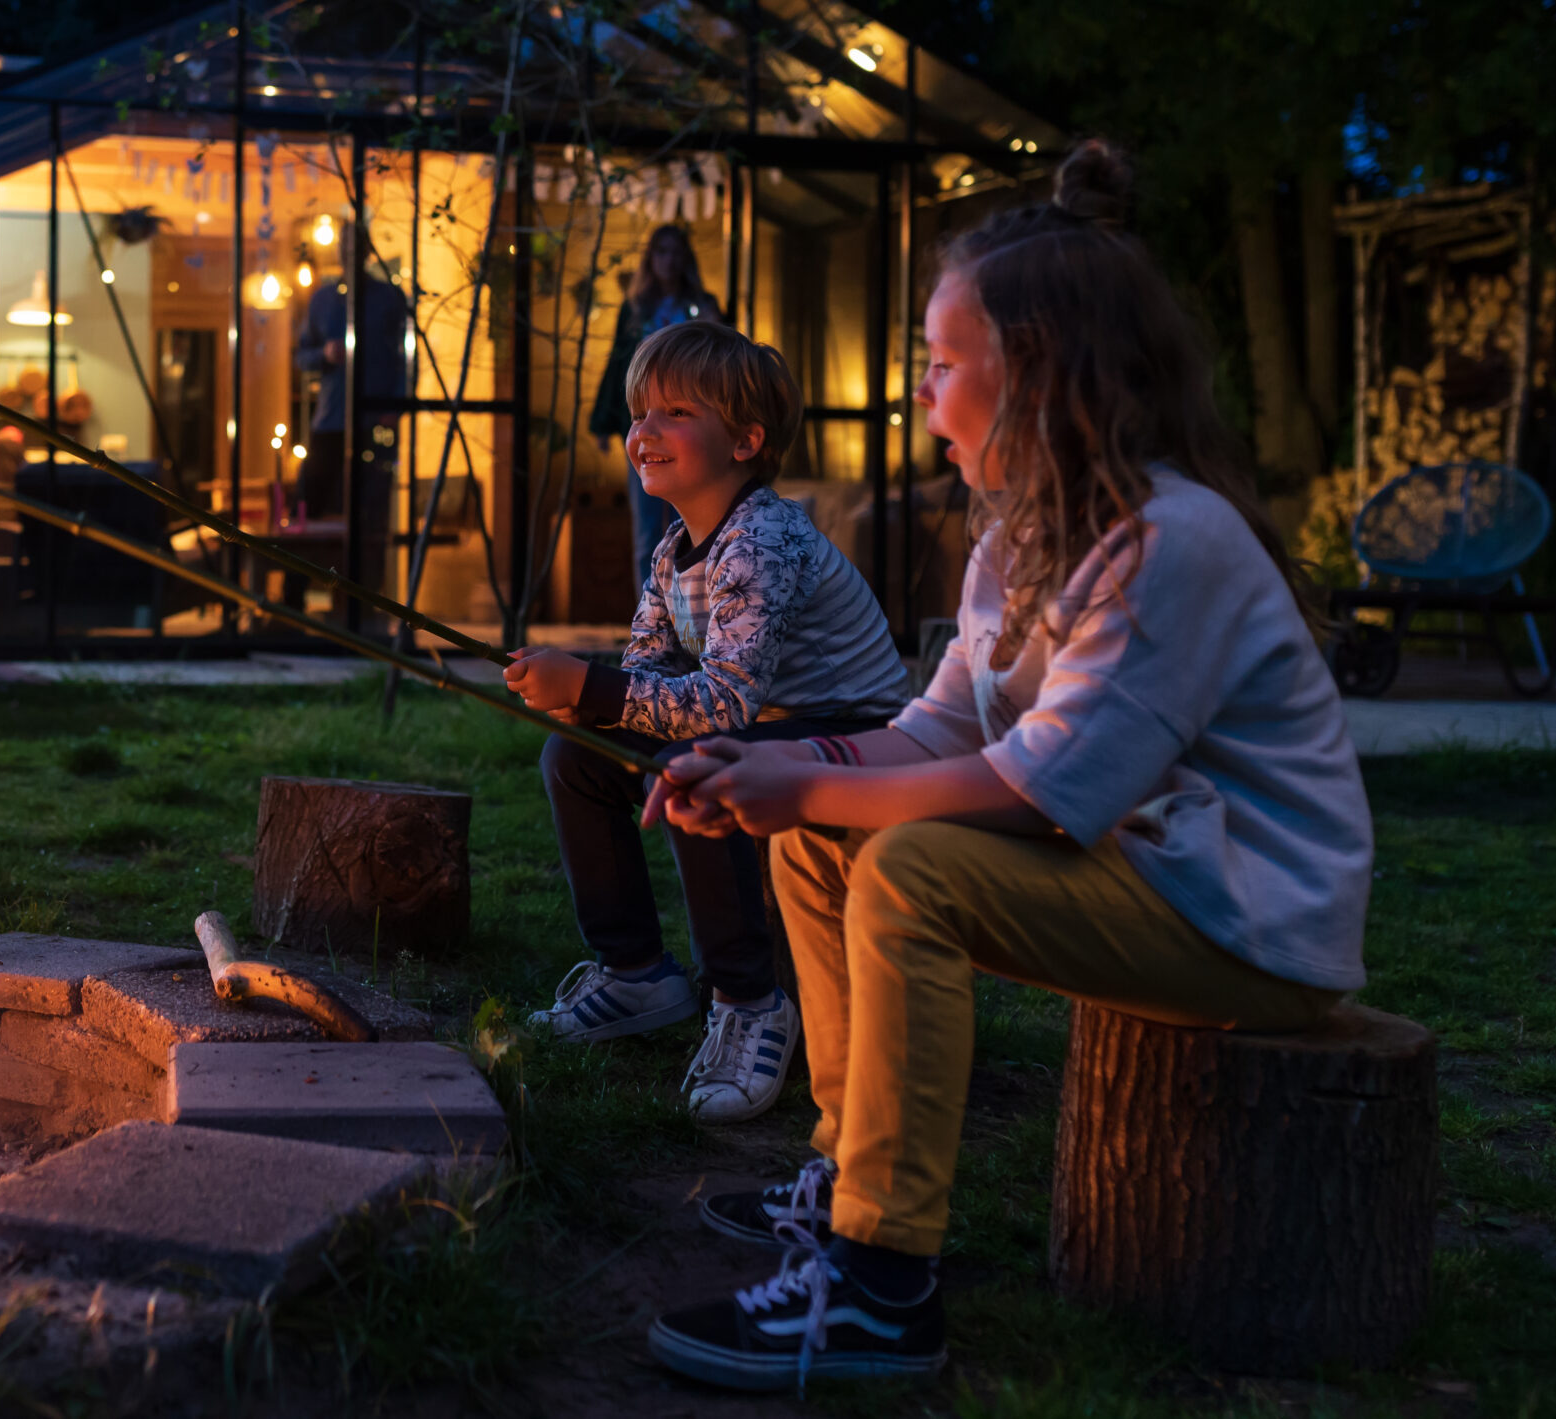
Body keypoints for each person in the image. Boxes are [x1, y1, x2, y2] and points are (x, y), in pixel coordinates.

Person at [640, 141, 1371, 1392]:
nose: (921, 394)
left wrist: (804, 779)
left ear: (1031, 371)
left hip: (1249, 921)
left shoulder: (1167, 539)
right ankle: (842, 1165)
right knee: (821, 836)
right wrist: (770, 765)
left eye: (939, 364)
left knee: (912, 868)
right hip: (1146, 877)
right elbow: (936, 733)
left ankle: (878, 1283)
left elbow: (1037, 786)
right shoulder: (1022, 538)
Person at [502, 319, 906, 1125]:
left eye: (674, 413)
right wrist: (586, 699)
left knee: (701, 763)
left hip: (862, 731)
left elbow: (719, 706)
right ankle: (637, 971)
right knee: (575, 755)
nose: (643, 432)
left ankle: (752, 998)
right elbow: (651, 675)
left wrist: (595, 684)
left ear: (747, 440)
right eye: (639, 412)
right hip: (768, 720)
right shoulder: (673, 549)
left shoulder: (761, 538)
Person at [591, 226, 723, 568]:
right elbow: (618, 365)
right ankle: (650, 619)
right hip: (646, 424)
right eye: (662, 251)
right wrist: (603, 422)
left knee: (696, 524)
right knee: (648, 531)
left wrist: (714, 324)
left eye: (677, 251)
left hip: (693, 427)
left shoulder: (701, 304)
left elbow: (725, 362)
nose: (670, 260)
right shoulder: (636, 309)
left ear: (686, 258)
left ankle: (692, 612)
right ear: (651, 258)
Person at [292, 257, 410, 522]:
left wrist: (396, 402)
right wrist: (324, 353)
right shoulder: (324, 300)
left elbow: (407, 355)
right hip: (332, 417)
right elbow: (302, 355)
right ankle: (311, 560)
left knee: (370, 506)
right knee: (312, 500)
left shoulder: (388, 298)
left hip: (374, 415)